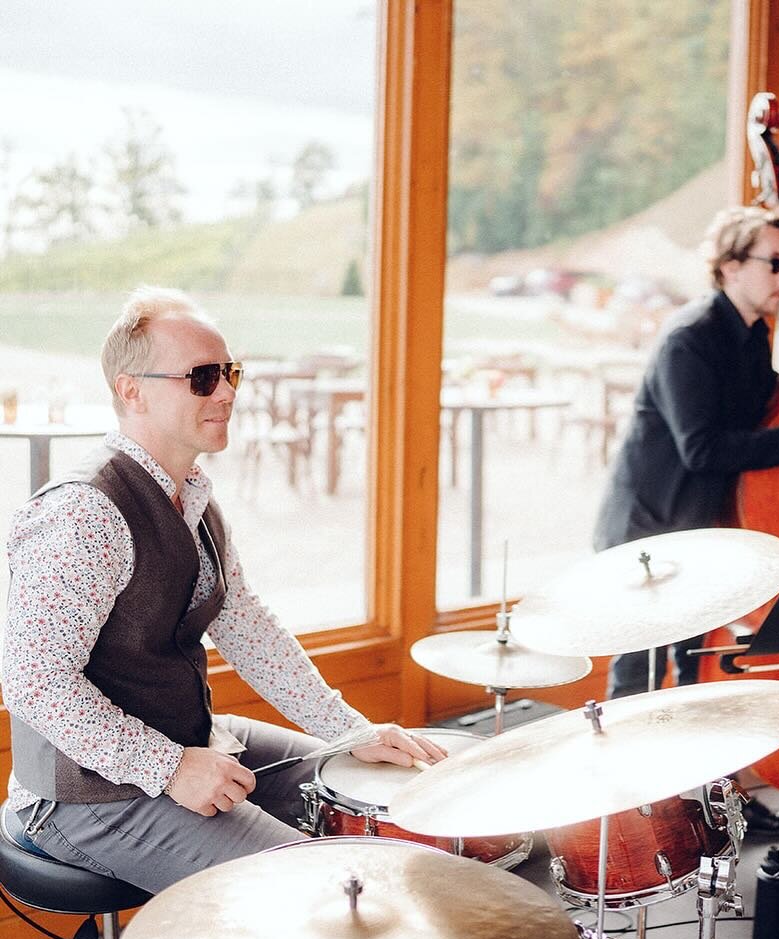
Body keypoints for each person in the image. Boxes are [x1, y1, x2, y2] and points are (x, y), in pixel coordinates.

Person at [1, 286, 447, 893]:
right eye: (203, 377)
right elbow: (32, 680)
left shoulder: (195, 500)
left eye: (231, 372)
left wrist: (352, 730)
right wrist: (170, 767)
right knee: (323, 886)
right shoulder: (84, 513)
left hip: (185, 740)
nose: (229, 392)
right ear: (131, 390)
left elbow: (246, 626)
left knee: (368, 783)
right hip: (80, 799)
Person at [592, 206, 779, 834]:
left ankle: (714, 807)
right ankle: (623, 822)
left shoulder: (752, 331)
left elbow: (754, 406)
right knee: (636, 678)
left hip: (697, 528)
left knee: (694, 678)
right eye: (773, 263)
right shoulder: (689, 337)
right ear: (731, 265)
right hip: (646, 527)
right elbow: (703, 447)